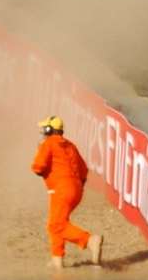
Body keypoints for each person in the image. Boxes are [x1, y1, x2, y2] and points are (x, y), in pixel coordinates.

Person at [31, 116, 102, 270]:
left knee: (56, 224)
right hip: (76, 190)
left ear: (49, 130)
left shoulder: (48, 143)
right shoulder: (71, 145)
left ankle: (89, 240)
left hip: (61, 189)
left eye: (44, 129)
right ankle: (57, 260)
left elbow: (37, 167)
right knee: (56, 223)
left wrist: (40, 150)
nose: (42, 132)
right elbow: (84, 170)